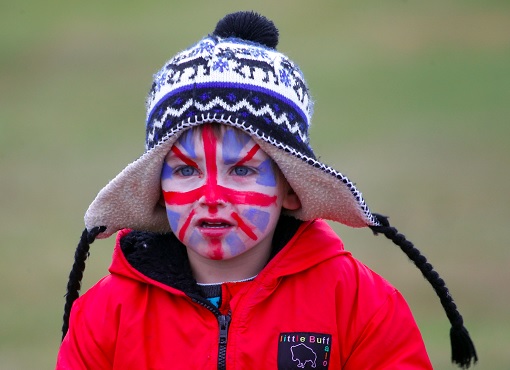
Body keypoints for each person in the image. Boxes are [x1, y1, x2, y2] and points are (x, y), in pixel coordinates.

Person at [56, 11, 477, 369]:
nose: (212, 195)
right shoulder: (106, 314)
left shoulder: (358, 304)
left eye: (241, 169)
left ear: (291, 189)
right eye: (186, 170)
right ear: (157, 190)